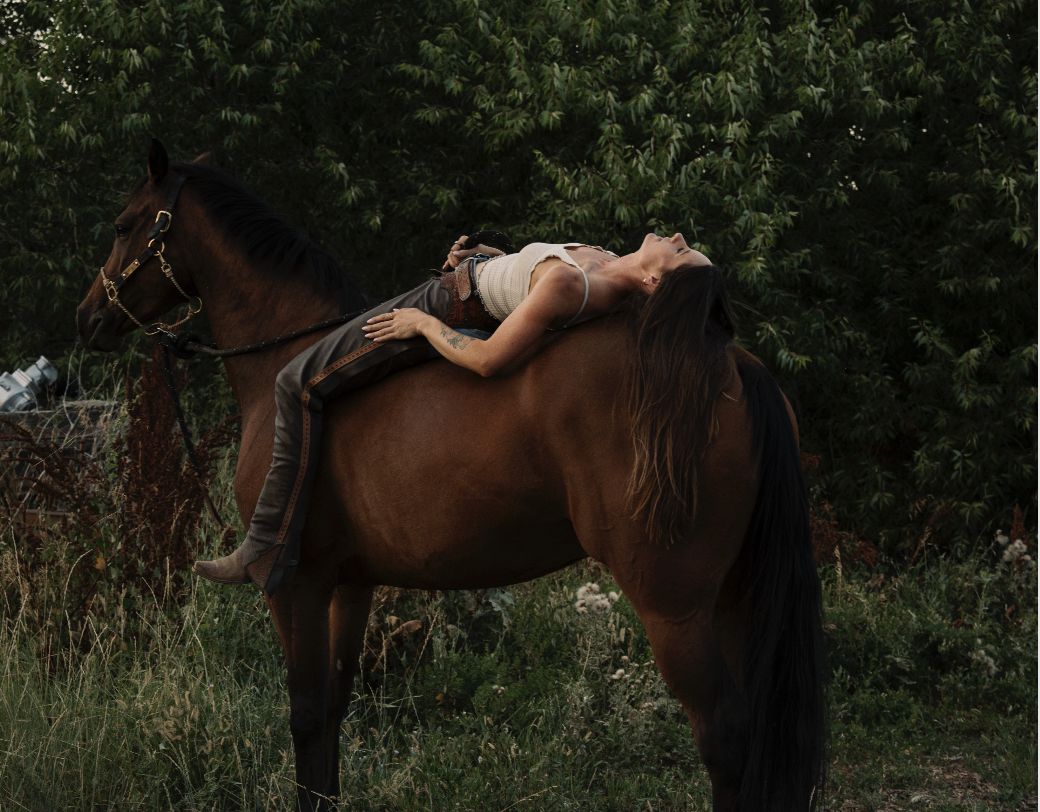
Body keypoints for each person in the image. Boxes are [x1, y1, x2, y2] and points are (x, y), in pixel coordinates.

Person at [195, 230, 710, 596]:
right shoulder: (604, 264)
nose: (680, 235)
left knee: (294, 382)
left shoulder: (576, 287)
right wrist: (488, 260)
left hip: (441, 308)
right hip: (461, 289)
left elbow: (488, 359)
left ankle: (265, 544)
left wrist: (420, 324)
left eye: (684, 252)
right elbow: (523, 287)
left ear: (656, 285)